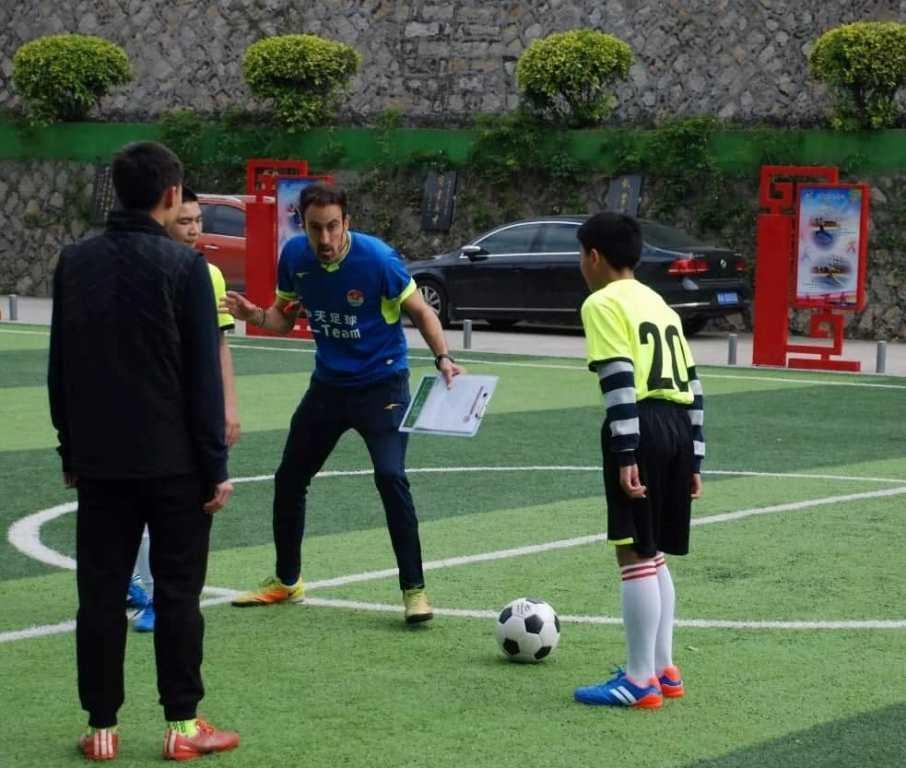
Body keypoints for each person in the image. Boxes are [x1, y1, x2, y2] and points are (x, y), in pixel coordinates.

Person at [48, 141, 240, 760]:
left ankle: (100, 725)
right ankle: (183, 728)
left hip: (101, 461)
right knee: (178, 593)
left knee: (99, 595)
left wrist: (69, 449)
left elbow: (61, 370)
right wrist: (216, 464)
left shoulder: (73, 262)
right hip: (175, 463)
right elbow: (201, 380)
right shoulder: (184, 267)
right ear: (170, 195)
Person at [222, 181, 463, 623]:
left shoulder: (378, 260)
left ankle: (415, 591)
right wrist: (252, 314)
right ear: (304, 227)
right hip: (329, 388)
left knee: (391, 478)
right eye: (316, 229)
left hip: (383, 388)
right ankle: (286, 581)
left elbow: (422, 311)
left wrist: (443, 357)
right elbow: (281, 317)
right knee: (290, 478)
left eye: (333, 227)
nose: (326, 239)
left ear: (347, 222)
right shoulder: (295, 257)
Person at [571, 212, 704, 709]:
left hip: (641, 425)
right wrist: (696, 456)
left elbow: (619, 377)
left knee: (632, 552)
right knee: (654, 551)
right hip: (676, 426)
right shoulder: (659, 303)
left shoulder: (601, 302)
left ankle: (639, 679)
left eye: (579, 256)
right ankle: (664, 669)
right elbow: (694, 384)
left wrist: (625, 450)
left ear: (594, 257)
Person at [128, 186, 242, 634]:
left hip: (185, 411)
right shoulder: (140, 268)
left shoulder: (207, 274)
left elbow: (219, 345)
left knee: (178, 502)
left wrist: (229, 407)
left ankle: (157, 592)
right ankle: (141, 584)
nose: (194, 229)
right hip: (142, 407)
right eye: (185, 221)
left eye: (199, 221)